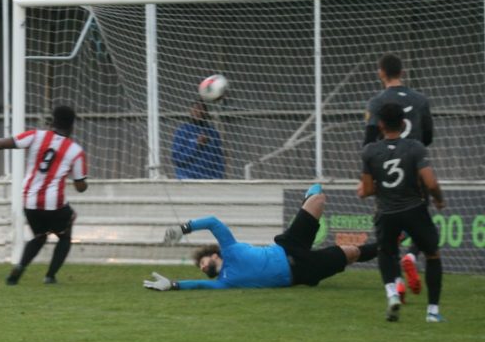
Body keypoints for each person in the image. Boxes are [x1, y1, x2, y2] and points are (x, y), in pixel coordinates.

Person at [143, 184, 378, 291]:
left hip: (288, 246)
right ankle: (389, 243)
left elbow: (213, 222)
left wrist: (184, 228)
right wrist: (173, 285)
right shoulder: (225, 282)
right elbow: (198, 285)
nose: (203, 269)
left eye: (203, 263)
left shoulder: (231, 249)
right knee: (351, 253)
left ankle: (306, 198)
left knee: (318, 196)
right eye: (202, 268)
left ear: (215, 255)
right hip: (300, 272)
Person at [0, 105, 88, 285]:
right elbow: (80, 187)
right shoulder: (75, 151)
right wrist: (78, 178)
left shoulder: (36, 135)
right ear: (72, 126)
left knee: (40, 236)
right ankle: (50, 276)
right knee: (65, 234)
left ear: (52, 121)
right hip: (53, 203)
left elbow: (2, 144)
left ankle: (19, 268)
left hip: (29, 200)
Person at [359, 102, 445, 322]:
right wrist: (438, 199)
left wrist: (374, 188)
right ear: (404, 122)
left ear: (380, 124)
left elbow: (367, 189)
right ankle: (433, 312)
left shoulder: (370, 151)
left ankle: (392, 294)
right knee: (432, 255)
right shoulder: (415, 147)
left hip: (386, 213)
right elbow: (430, 182)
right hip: (414, 209)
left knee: (386, 253)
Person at [363, 53, 434, 297]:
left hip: (387, 169)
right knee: (421, 219)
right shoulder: (420, 99)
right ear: (402, 72)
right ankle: (413, 255)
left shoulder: (377, 102)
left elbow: (368, 139)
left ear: (381, 72)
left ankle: (396, 282)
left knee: (388, 229)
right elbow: (428, 137)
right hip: (415, 165)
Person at [171, 101, 225, 179]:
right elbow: (177, 159)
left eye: (200, 110)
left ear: (206, 113)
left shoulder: (213, 132)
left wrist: (218, 178)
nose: (198, 112)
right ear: (190, 112)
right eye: (195, 110)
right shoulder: (182, 131)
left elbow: (218, 159)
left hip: (209, 181)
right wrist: (196, 144)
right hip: (187, 180)